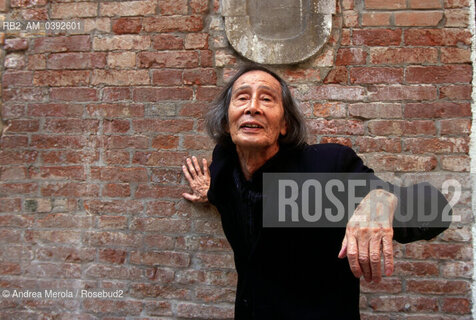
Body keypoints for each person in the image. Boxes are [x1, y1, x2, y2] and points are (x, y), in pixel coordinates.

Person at [182, 64, 450, 319]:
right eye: (242, 98)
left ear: (284, 124)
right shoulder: (224, 167)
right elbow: (238, 196)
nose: (253, 107)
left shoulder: (325, 168)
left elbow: (435, 210)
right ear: (227, 122)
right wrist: (209, 193)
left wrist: (382, 200)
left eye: (266, 99)